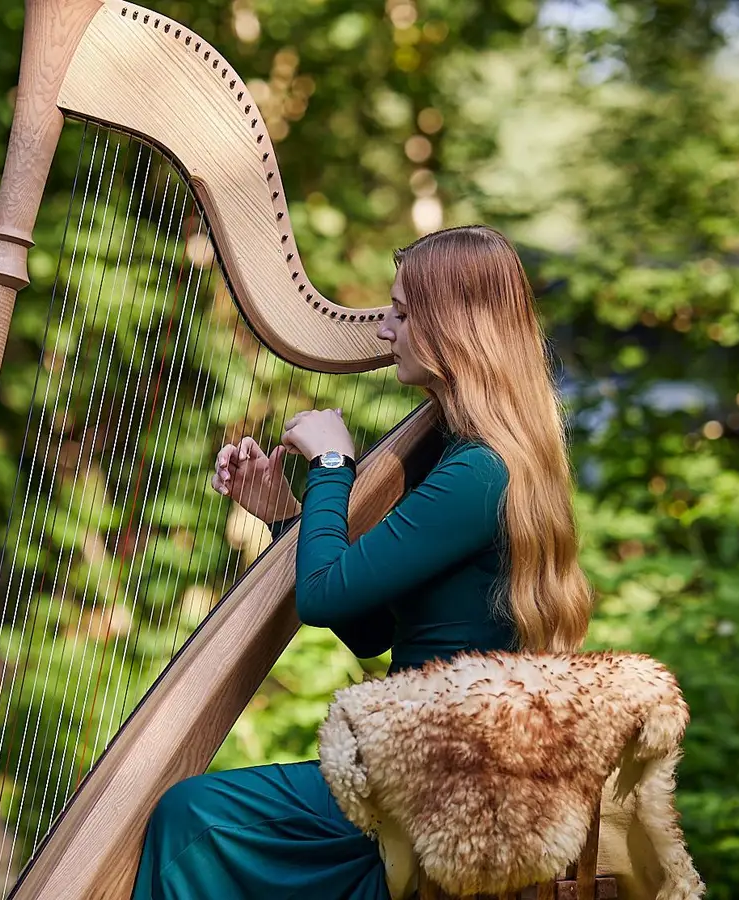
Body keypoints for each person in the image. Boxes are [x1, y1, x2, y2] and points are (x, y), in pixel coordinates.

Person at [131, 224, 595, 900]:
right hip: (421, 766)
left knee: (192, 815)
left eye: (404, 313)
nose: (387, 331)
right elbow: (369, 625)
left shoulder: (479, 473)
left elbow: (321, 599)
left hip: (428, 779)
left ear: (451, 328)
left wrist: (331, 463)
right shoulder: (473, 455)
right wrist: (284, 512)